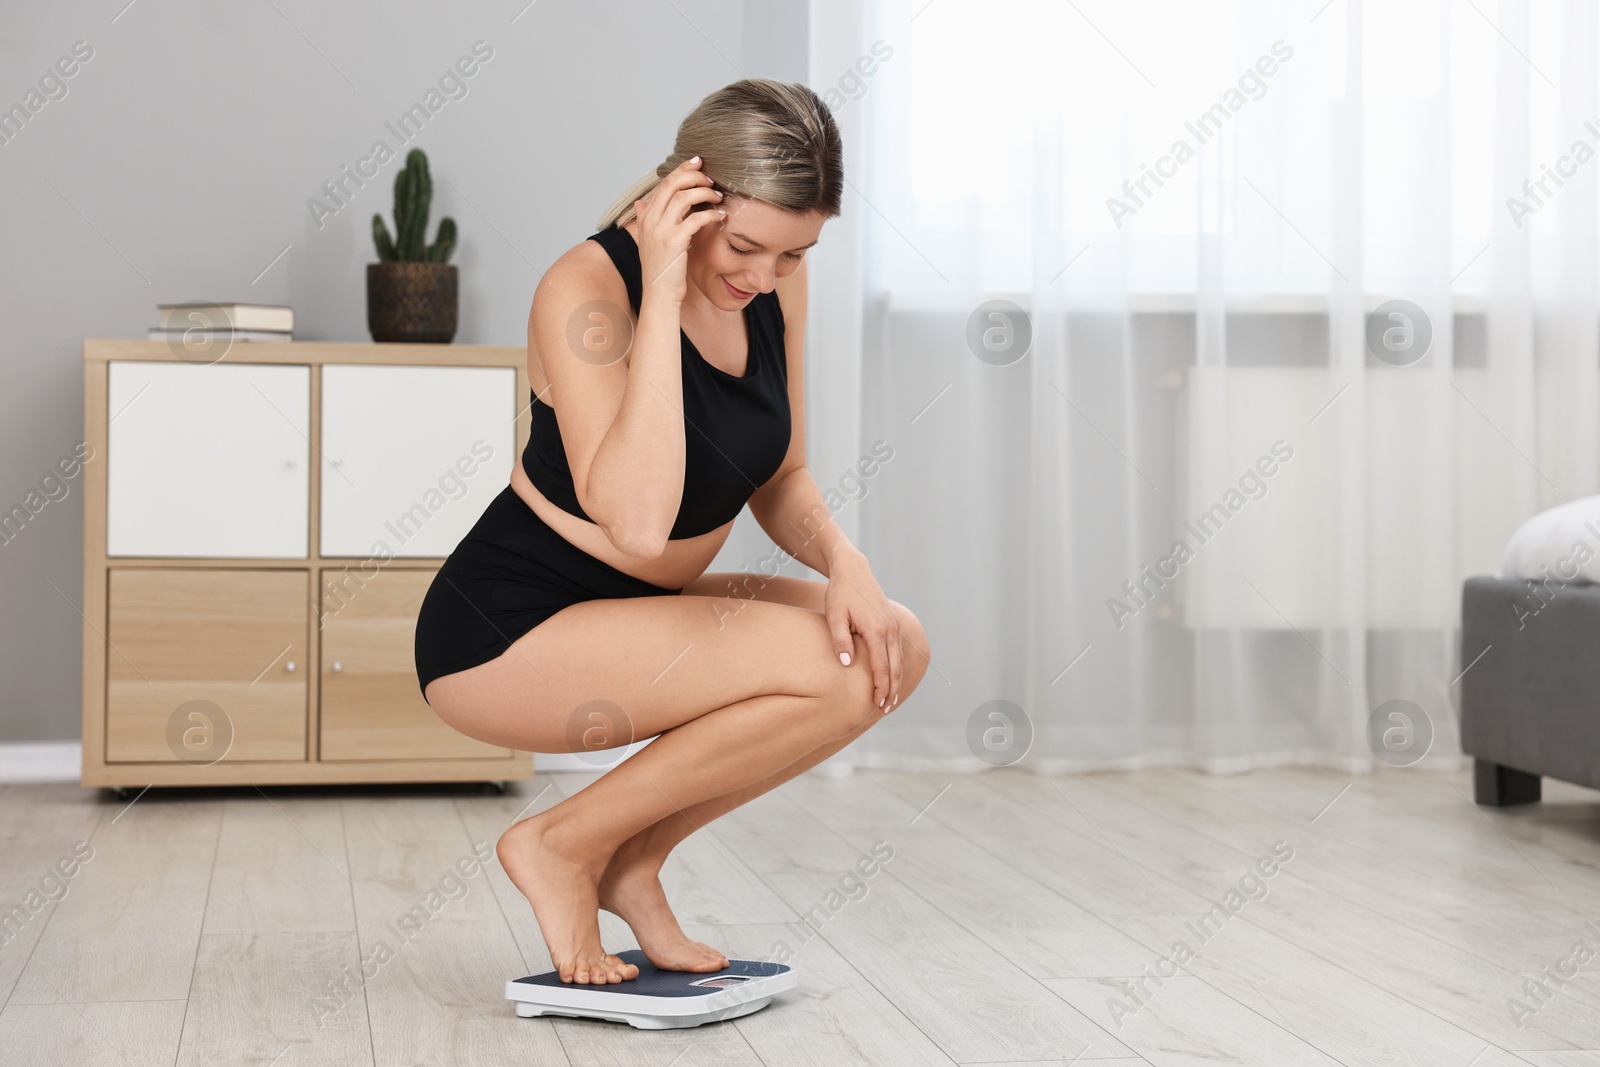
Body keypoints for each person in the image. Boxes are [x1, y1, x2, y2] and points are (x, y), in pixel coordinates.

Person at [413, 78, 932, 986]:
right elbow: (641, 522)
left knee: (892, 641)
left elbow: (783, 473)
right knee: (830, 666)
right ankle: (560, 844)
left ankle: (629, 859)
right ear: (688, 195)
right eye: (743, 246)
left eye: (794, 253)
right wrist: (659, 285)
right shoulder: (586, 287)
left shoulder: (774, 284)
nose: (763, 277)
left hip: (639, 608)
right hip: (505, 628)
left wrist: (846, 562)